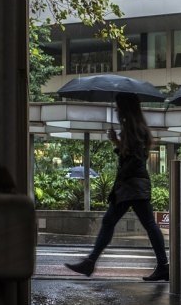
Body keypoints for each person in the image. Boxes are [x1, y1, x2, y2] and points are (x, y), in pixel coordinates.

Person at [65, 93, 169, 281]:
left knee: (121, 222)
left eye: (117, 105)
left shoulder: (132, 127)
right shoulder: (136, 126)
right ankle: (162, 265)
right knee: (134, 223)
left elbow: (135, 158)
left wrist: (120, 176)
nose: (115, 109)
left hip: (131, 186)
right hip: (134, 185)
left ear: (124, 107)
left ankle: (91, 262)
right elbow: (133, 154)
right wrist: (116, 142)